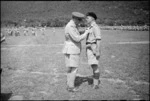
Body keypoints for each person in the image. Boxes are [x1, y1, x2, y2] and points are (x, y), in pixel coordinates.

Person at [62, 12, 90, 92]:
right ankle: (71, 87)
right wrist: (86, 33)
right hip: (73, 50)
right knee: (74, 68)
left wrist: (83, 31)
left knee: (69, 68)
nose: (80, 22)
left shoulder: (72, 25)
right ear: (75, 19)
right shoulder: (71, 26)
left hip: (69, 49)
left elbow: (76, 33)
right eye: (79, 20)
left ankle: (69, 84)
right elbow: (77, 39)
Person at [85, 12, 101, 89]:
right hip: (89, 48)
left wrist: (97, 51)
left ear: (92, 19)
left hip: (93, 48)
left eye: (87, 18)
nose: (86, 19)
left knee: (95, 66)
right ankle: (95, 83)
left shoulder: (95, 27)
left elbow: (98, 39)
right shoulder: (90, 27)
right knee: (93, 65)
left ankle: (95, 84)